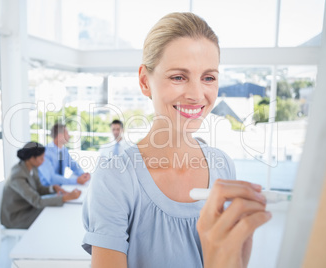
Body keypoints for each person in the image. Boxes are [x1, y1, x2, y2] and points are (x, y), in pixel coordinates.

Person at [82, 12, 271, 268]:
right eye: (178, 77)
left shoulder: (222, 165)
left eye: (208, 77)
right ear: (144, 81)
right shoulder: (115, 177)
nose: (196, 94)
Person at [0, 142, 81, 229]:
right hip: (17, 217)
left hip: (29, 208)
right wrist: (65, 198)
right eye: (41, 158)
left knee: (55, 210)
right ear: (32, 158)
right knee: (53, 215)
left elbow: (39, 189)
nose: (44, 160)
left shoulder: (32, 167)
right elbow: (37, 201)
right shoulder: (18, 176)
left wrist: (53, 188)